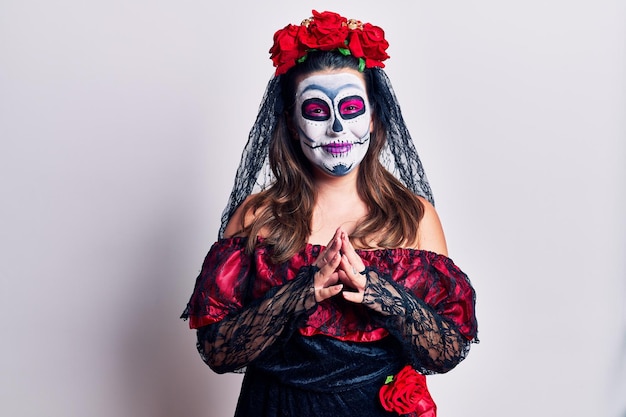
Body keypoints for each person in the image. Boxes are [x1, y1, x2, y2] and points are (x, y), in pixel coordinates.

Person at [181, 10, 478, 417]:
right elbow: (217, 352)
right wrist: (299, 293)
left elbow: (448, 351)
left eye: (352, 108)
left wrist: (377, 291)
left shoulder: (414, 216)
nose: (337, 128)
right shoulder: (256, 216)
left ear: (373, 117)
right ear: (290, 121)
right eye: (318, 112)